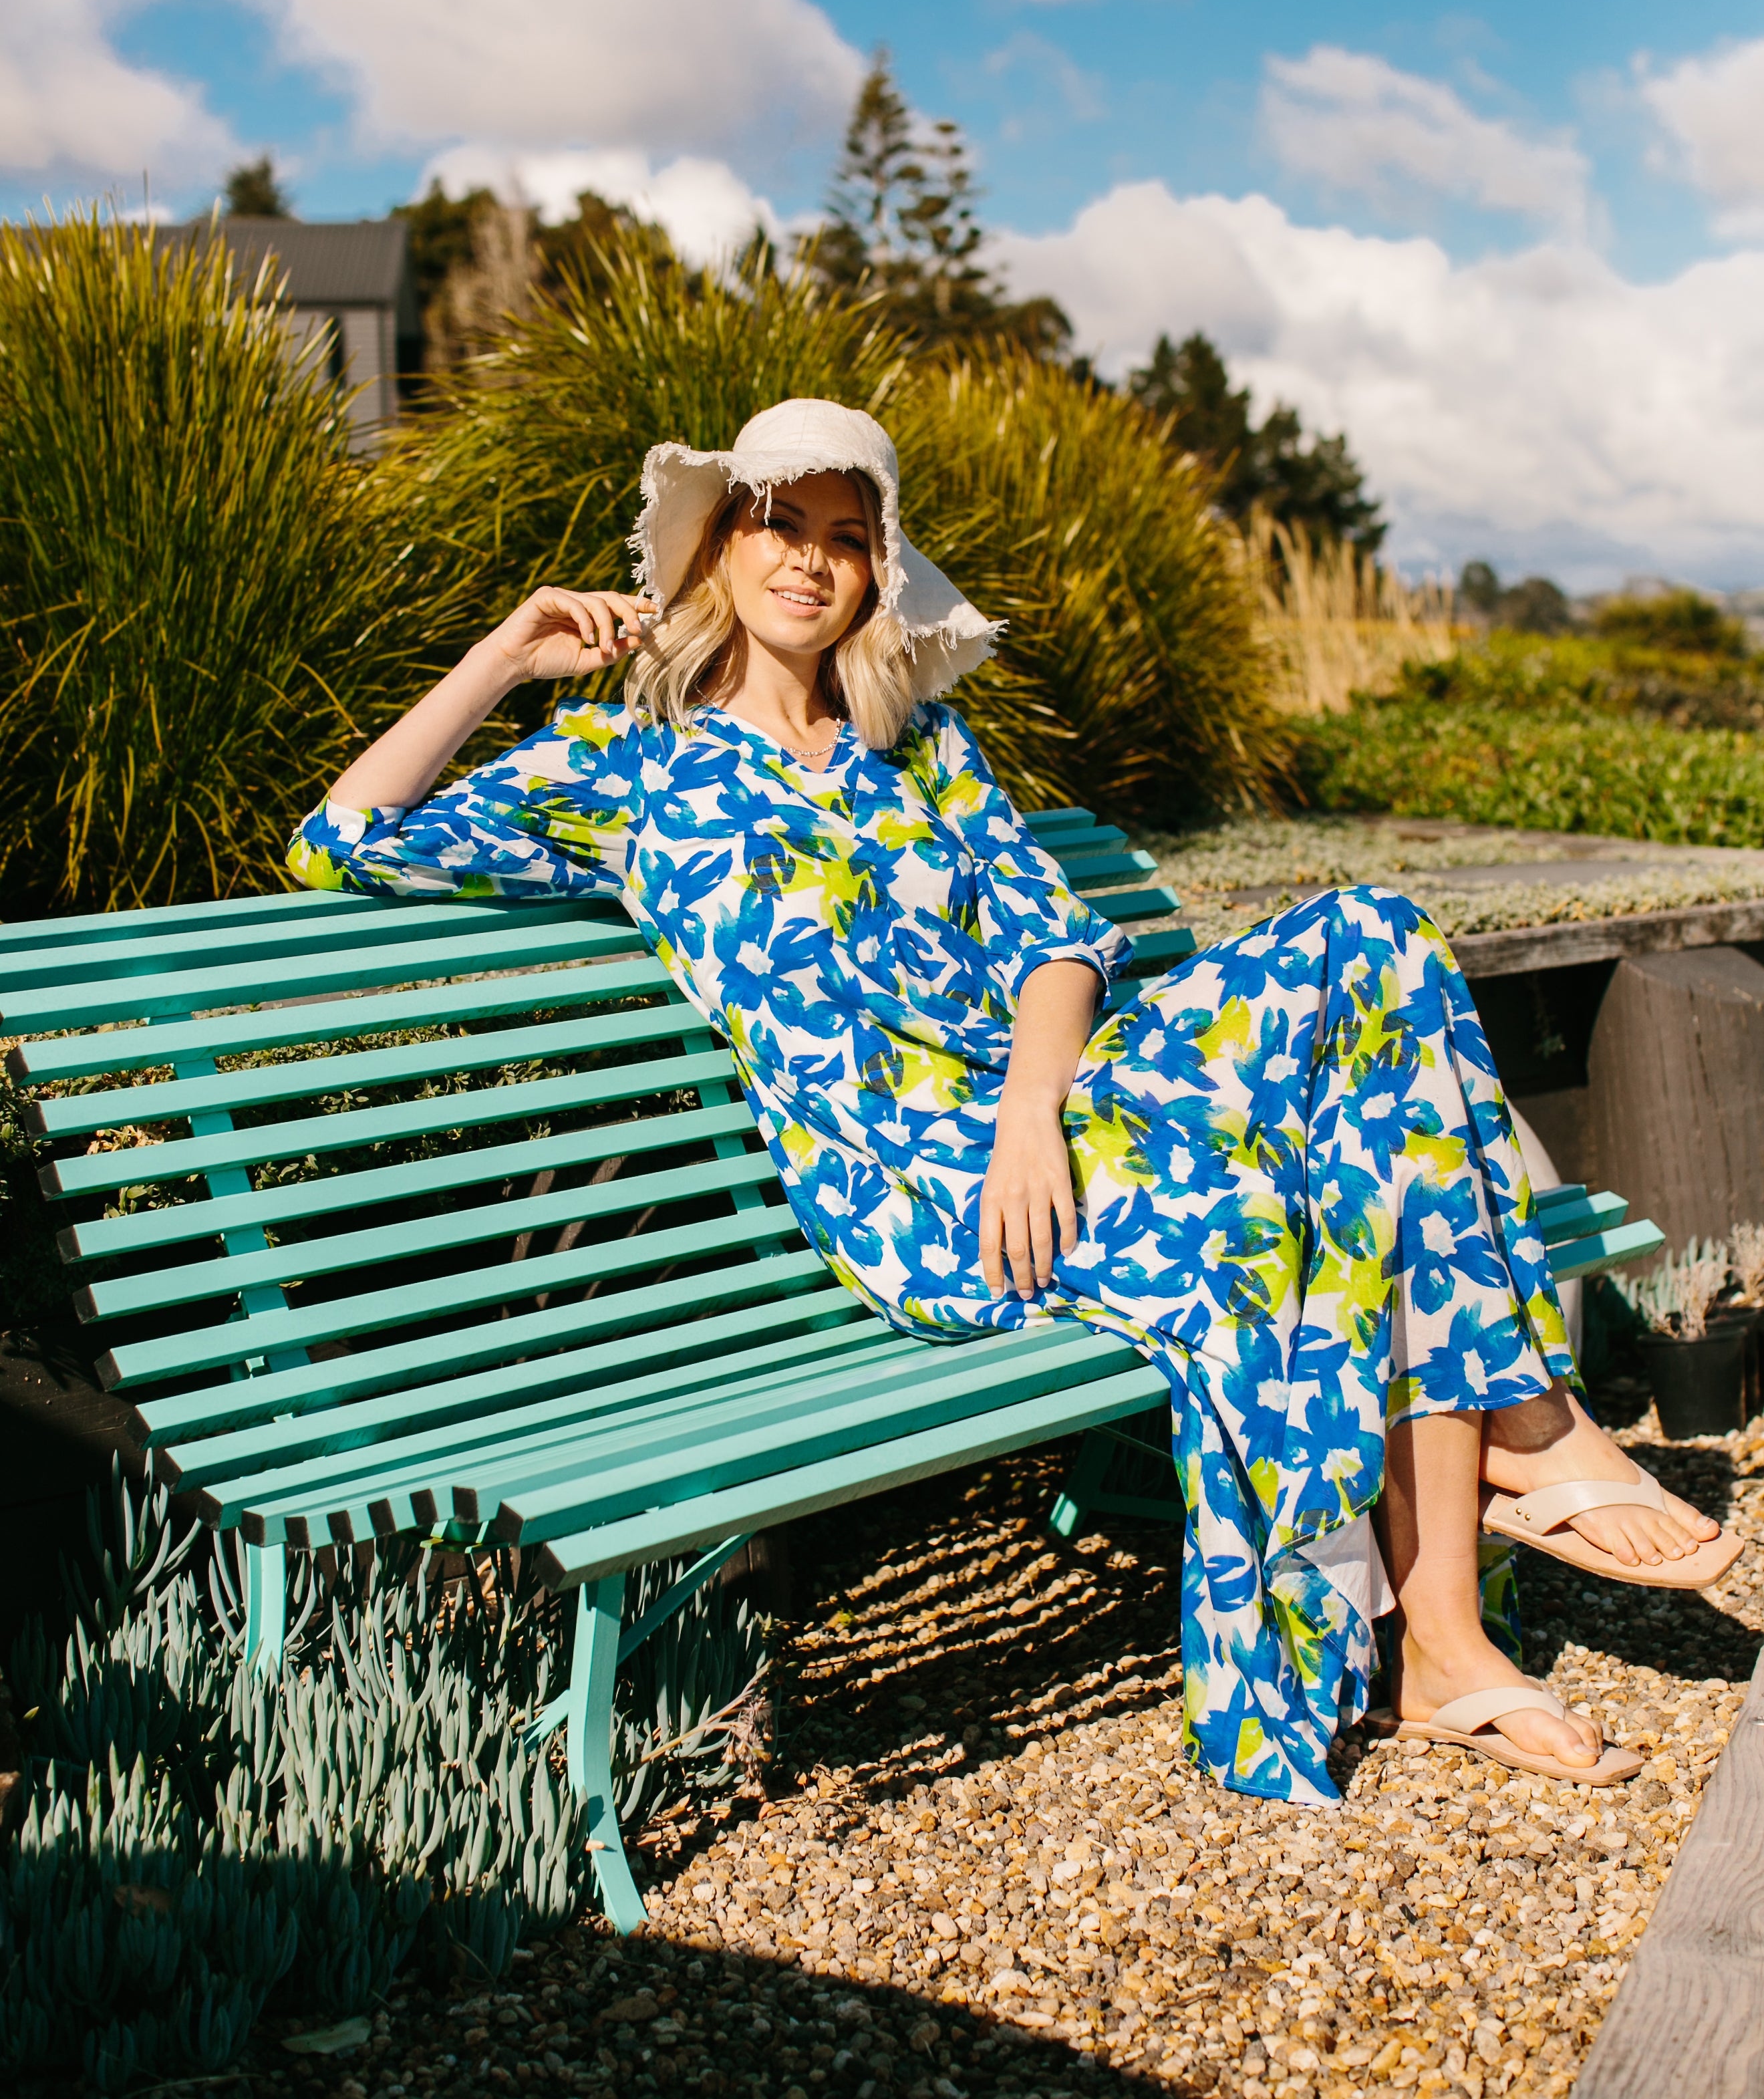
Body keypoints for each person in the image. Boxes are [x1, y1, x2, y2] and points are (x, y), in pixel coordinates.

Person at [289, 400, 1738, 1806]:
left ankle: (1456, 1597)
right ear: (718, 551)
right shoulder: (626, 770)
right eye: (775, 523)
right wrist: (504, 652)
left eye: (844, 536)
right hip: (909, 1186)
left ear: (874, 575)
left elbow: (1059, 941)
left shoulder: (919, 747)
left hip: (1045, 1125)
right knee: (1274, 1202)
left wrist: (1036, 1110)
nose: (807, 557)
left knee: (1374, 944)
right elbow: (339, 843)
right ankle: (1481, 1524)